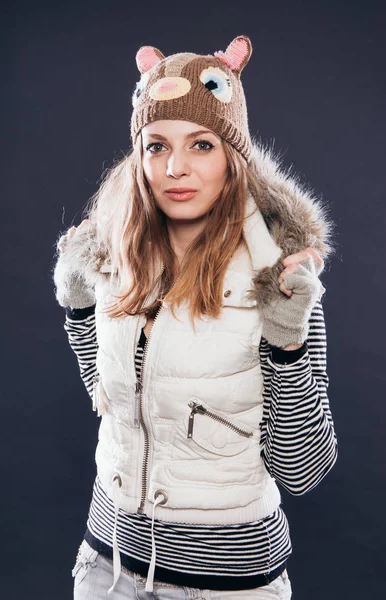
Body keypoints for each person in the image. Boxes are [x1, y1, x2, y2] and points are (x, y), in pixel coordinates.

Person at [52, 35, 338, 600]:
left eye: (201, 145)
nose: (175, 168)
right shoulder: (114, 252)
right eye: (156, 146)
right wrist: (79, 306)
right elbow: (109, 399)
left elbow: (305, 469)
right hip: (105, 566)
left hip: (226, 585)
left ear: (234, 155)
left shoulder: (278, 273)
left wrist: (287, 344)